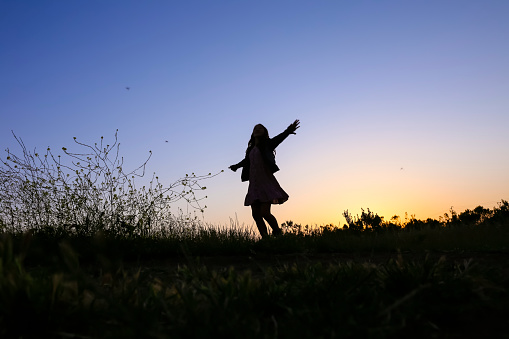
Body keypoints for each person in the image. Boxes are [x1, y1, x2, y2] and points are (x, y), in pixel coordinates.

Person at [229, 119, 300, 238]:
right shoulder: (251, 149)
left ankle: (277, 233)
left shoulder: (267, 144)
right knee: (256, 215)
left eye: (260, 128)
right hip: (254, 184)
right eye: (255, 128)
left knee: (265, 213)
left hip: (266, 182)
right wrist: (236, 166)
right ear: (252, 133)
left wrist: (288, 131)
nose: (257, 129)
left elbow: (278, 139)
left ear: (264, 132)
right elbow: (247, 161)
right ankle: (265, 239)